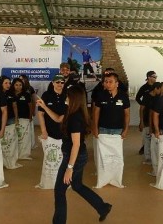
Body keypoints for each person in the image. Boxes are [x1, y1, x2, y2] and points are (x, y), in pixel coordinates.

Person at [38, 85, 112, 223]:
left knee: (60, 190)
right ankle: (102, 207)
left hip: (75, 158)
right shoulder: (70, 112)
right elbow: (58, 119)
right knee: (77, 185)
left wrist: (69, 168)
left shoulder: (75, 118)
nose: (65, 97)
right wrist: (44, 107)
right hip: (77, 156)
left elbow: (76, 145)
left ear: (73, 98)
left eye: (67, 96)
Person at [92, 72, 130, 139]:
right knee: (103, 149)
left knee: (116, 149)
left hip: (118, 129)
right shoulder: (100, 95)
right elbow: (96, 113)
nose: (108, 84)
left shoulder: (123, 96)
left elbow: (127, 114)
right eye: (106, 82)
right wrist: (95, 128)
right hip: (103, 128)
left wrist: (126, 129)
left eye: (110, 82)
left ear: (117, 83)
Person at [37, 75, 67, 141]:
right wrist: (44, 131)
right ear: (53, 83)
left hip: (65, 132)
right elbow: (40, 114)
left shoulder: (67, 95)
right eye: (57, 82)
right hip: (49, 131)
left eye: (62, 82)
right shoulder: (46, 95)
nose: (60, 84)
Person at [139, 82, 161, 163]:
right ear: (156, 89)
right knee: (147, 139)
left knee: (153, 140)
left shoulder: (158, 97)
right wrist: (141, 122)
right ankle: (147, 157)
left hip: (154, 121)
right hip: (146, 121)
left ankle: (153, 157)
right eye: (160, 89)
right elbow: (141, 109)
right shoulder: (147, 96)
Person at [136, 70, 157, 154]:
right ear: (149, 77)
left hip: (154, 112)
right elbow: (138, 97)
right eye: (154, 77)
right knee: (146, 131)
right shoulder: (144, 88)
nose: (155, 78)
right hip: (146, 112)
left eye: (156, 77)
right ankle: (145, 148)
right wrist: (143, 105)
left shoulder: (156, 86)